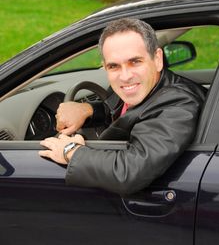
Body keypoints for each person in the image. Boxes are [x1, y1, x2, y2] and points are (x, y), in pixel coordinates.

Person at [39, 18, 206, 195]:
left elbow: (131, 171)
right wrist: (88, 110)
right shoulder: (139, 89)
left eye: (135, 62)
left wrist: (71, 152)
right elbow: (126, 113)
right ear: (105, 67)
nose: (125, 76)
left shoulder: (179, 103)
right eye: (114, 66)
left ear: (157, 59)